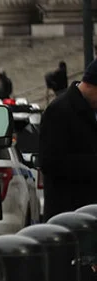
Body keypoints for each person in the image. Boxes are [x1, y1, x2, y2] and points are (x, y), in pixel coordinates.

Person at [39, 58, 97, 219]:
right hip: (68, 216)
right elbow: (50, 162)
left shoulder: (88, 108)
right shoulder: (58, 111)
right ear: (93, 86)